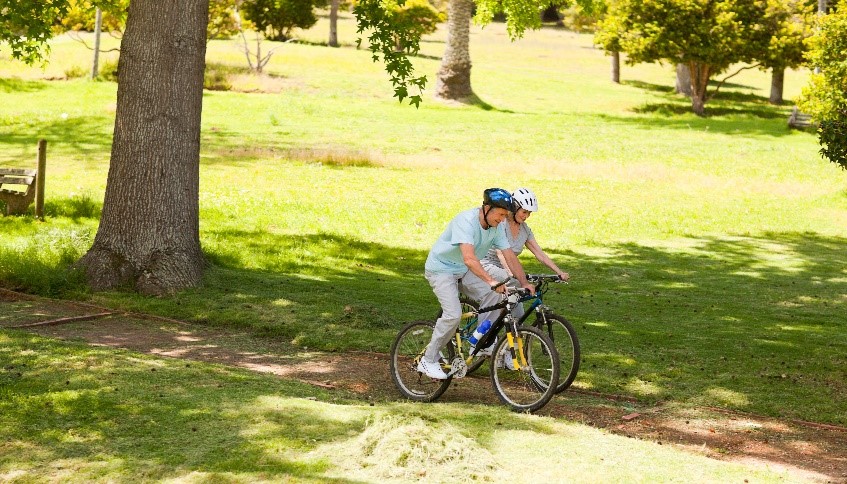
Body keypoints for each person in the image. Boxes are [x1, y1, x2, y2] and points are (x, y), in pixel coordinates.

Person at [419, 188, 535, 380]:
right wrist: (491, 281)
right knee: (453, 315)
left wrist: (524, 282)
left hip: (464, 270)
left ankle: (481, 340)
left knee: (498, 295)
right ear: (487, 208)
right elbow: (469, 258)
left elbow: (509, 256)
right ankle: (428, 359)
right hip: (442, 270)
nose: (503, 219)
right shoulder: (466, 221)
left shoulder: (496, 227)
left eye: (505, 215)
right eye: (500, 214)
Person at [481, 187, 569, 321]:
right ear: (515, 207)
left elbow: (539, 253)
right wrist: (511, 273)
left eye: (529, 213)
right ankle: (495, 323)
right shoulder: (501, 223)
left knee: (517, 309)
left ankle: (516, 328)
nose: (526, 216)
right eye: (524, 212)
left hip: (508, 268)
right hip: (487, 264)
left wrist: (559, 272)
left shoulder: (525, 230)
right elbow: (501, 253)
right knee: (516, 284)